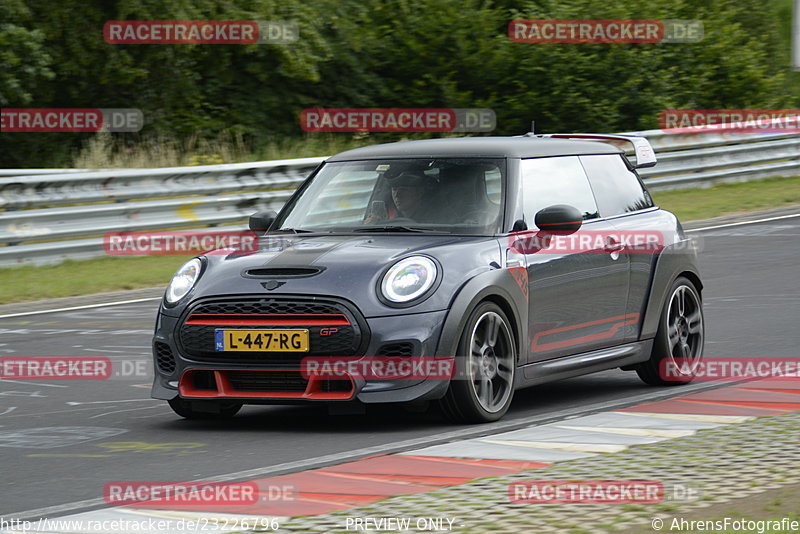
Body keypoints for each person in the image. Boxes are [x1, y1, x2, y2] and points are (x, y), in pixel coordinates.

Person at [364, 170, 440, 223]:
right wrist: (372, 225)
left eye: (403, 189)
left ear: (420, 192)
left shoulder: (436, 220)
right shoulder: (387, 216)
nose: (397, 195)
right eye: (394, 189)